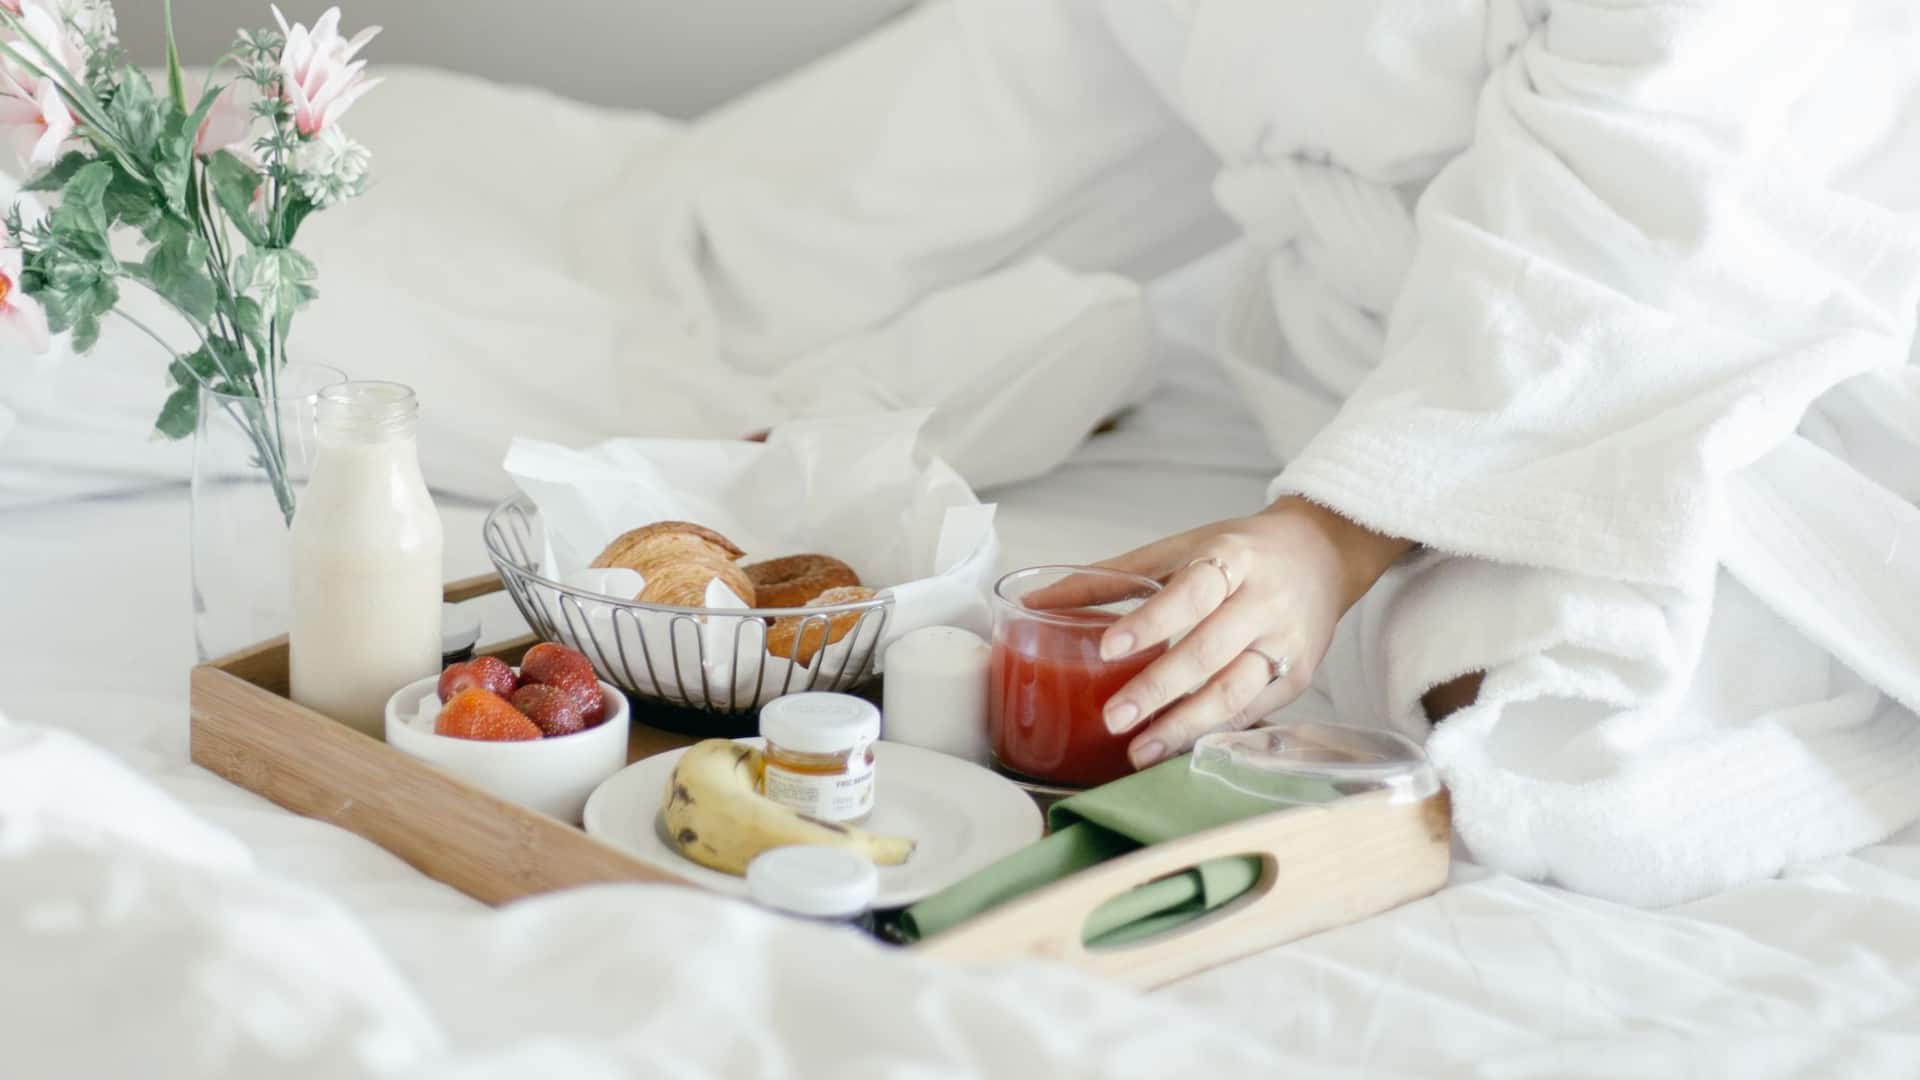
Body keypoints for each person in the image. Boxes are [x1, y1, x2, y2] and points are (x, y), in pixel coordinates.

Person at [621, 0, 1920, 905]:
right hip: (1386, 304)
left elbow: (1635, 178)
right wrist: (787, 314)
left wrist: (1335, 534)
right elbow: (1063, 74)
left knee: (1538, 702)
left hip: (1736, 280)